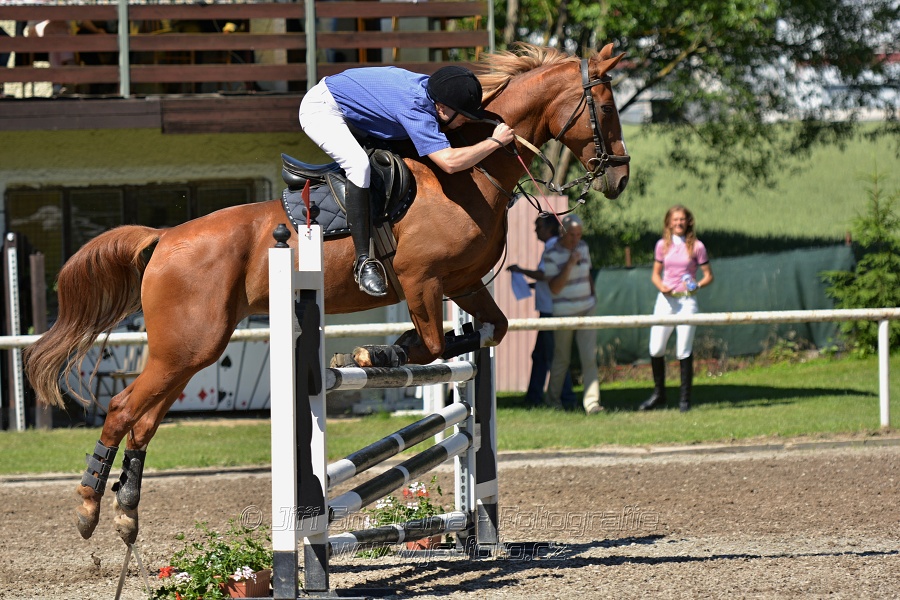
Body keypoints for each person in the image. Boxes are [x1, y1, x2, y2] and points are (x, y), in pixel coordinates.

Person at [298, 65, 516, 297]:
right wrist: (494, 142)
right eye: (463, 114)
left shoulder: (436, 91)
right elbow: (450, 163)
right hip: (322, 109)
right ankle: (363, 262)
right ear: (441, 107)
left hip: (350, 102)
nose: (466, 119)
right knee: (358, 166)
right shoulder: (415, 108)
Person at [639, 205, 714, 412]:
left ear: (688, 222)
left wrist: (697, 285)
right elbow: (655, 274)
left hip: (687, 302)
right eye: (675, 219)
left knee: (683, 350)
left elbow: (708, 275)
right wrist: (661, 286)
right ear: (669, 223)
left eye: (682, 219)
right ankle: (659, 394)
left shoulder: (697, 246)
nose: (679, 223)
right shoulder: (662, 245)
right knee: (656, 348)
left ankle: (684, 400)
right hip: (665, 301)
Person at [507, 214, 577, 409]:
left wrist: (520, 270)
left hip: (551, 311)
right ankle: (534, 398)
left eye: (539, 226)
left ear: (549, 228)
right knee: (540, 356)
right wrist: (531, 284)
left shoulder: (553, 247)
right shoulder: (552, 247)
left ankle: (567, 399)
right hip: (548, 309)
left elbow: (546, 274)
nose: (535, 230)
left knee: (554, 357)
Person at [541, 214, 602, 414]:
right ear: (562, 232)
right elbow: (554, 288)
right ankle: (552, 400)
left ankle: (592, 403)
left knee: (589, 357)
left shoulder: (583, 247)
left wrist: (593, 297)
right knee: (562, 359)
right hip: (564, 313)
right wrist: (569, 263)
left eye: (579, 234)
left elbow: (588, 274)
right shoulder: (550, 254)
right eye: (572, 235)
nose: (576, 239)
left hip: (587, 309)